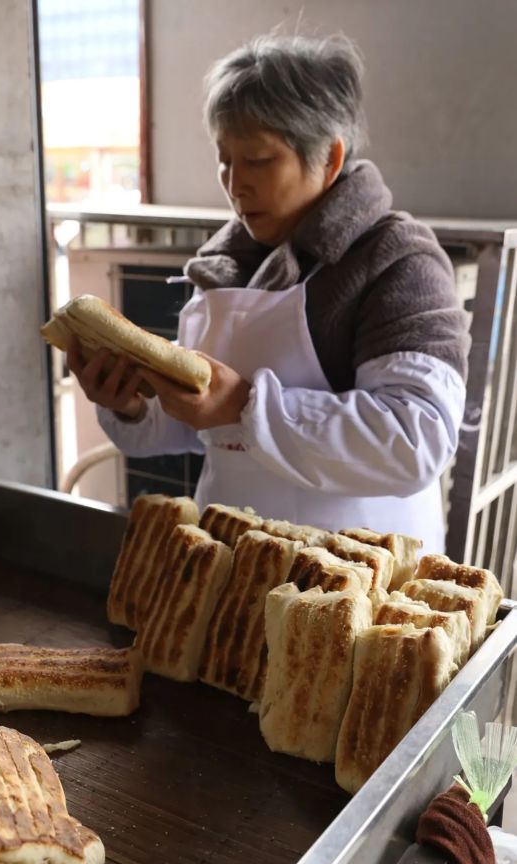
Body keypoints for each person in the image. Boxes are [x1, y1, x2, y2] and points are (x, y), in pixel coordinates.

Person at [67, 33, 470, 553]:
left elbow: (416, 439)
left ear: (328, 158)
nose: (235, 184)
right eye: (224, 159)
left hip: (363, 578)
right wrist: (131, 408)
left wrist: (244, 405)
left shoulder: (398, 261)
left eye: (258, 160)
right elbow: (199, 428)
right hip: (236, 563)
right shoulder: (224, 264)